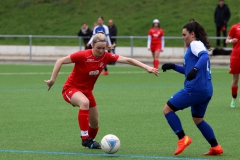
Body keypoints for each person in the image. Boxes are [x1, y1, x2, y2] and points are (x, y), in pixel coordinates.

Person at [44, 31, 159, 150]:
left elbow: (128, 60)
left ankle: (91, 142)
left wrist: (147, 67)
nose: (100, 51)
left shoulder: (106, 56)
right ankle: (85, 138)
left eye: (103, 48)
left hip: (87, 91)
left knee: (94, 122)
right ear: (92, 46)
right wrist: (52, 80)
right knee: (84, 103)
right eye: (98, 48)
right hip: (71, 89)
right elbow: (60, 61)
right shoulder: (82, 55)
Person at [161, 22, 223, 156]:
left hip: (195, 88)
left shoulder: (195, 44)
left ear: (192, 34)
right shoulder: (195, 46)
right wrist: (173, 66)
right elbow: (189, 71)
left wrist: (195, 69)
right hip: (206, 89)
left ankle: (183, 138)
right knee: (198, 119)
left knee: (167, 109)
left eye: (184, 35)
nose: (183, 37)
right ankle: (215, 146)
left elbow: (204, 57)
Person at [225, 13, 240, 108]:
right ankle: (234, 99)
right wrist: (231, 41)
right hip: (236, 56)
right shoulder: (235, 27)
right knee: (235, 79)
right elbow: (227, 40)